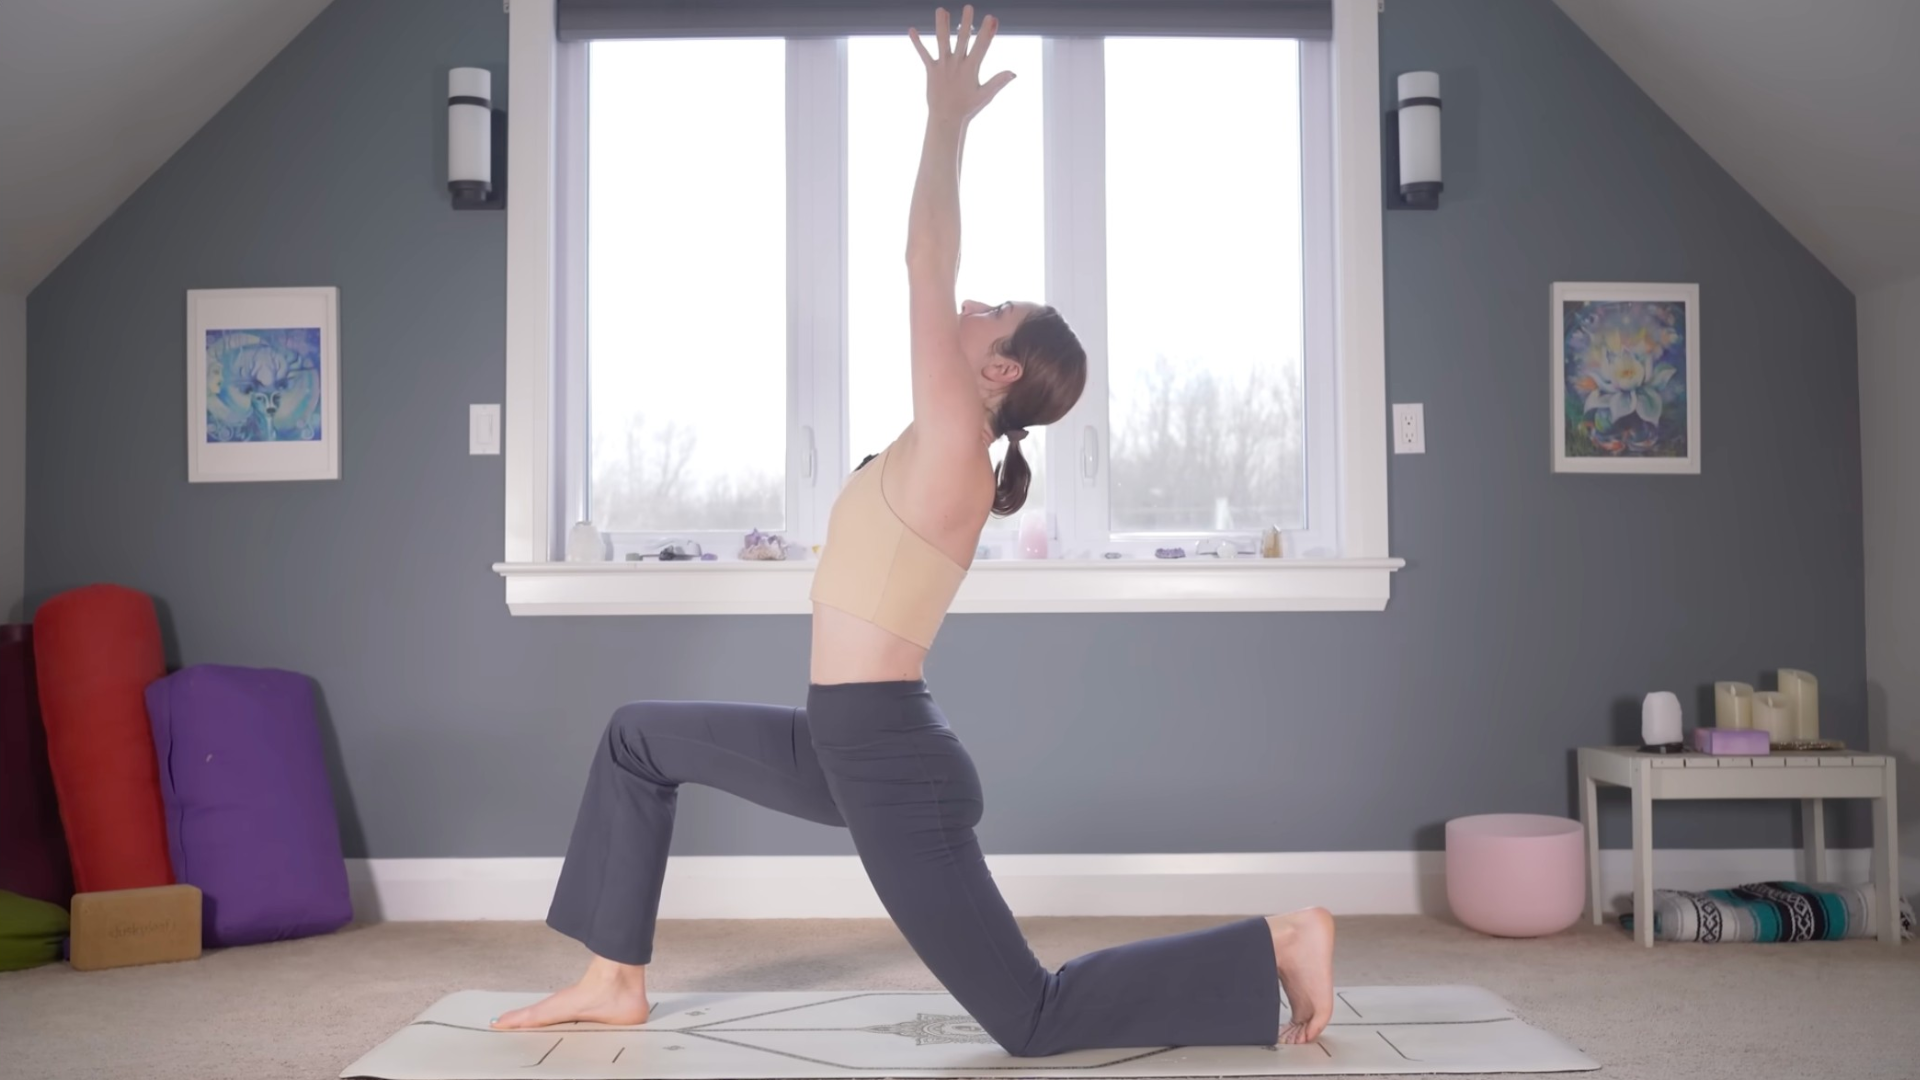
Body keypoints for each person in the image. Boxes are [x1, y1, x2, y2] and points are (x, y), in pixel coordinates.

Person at [491, 6, 1335, 1054]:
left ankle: (1278, 943)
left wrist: (947, 121)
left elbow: (922, 257)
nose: (972, 306)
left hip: (888, 760)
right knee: (638, 738)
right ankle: (613, 978)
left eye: (996, 311)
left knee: (1031, 1016)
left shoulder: (954, 447)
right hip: (839, 741)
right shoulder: (929, 443)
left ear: (1001, 371)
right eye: (984, 300)